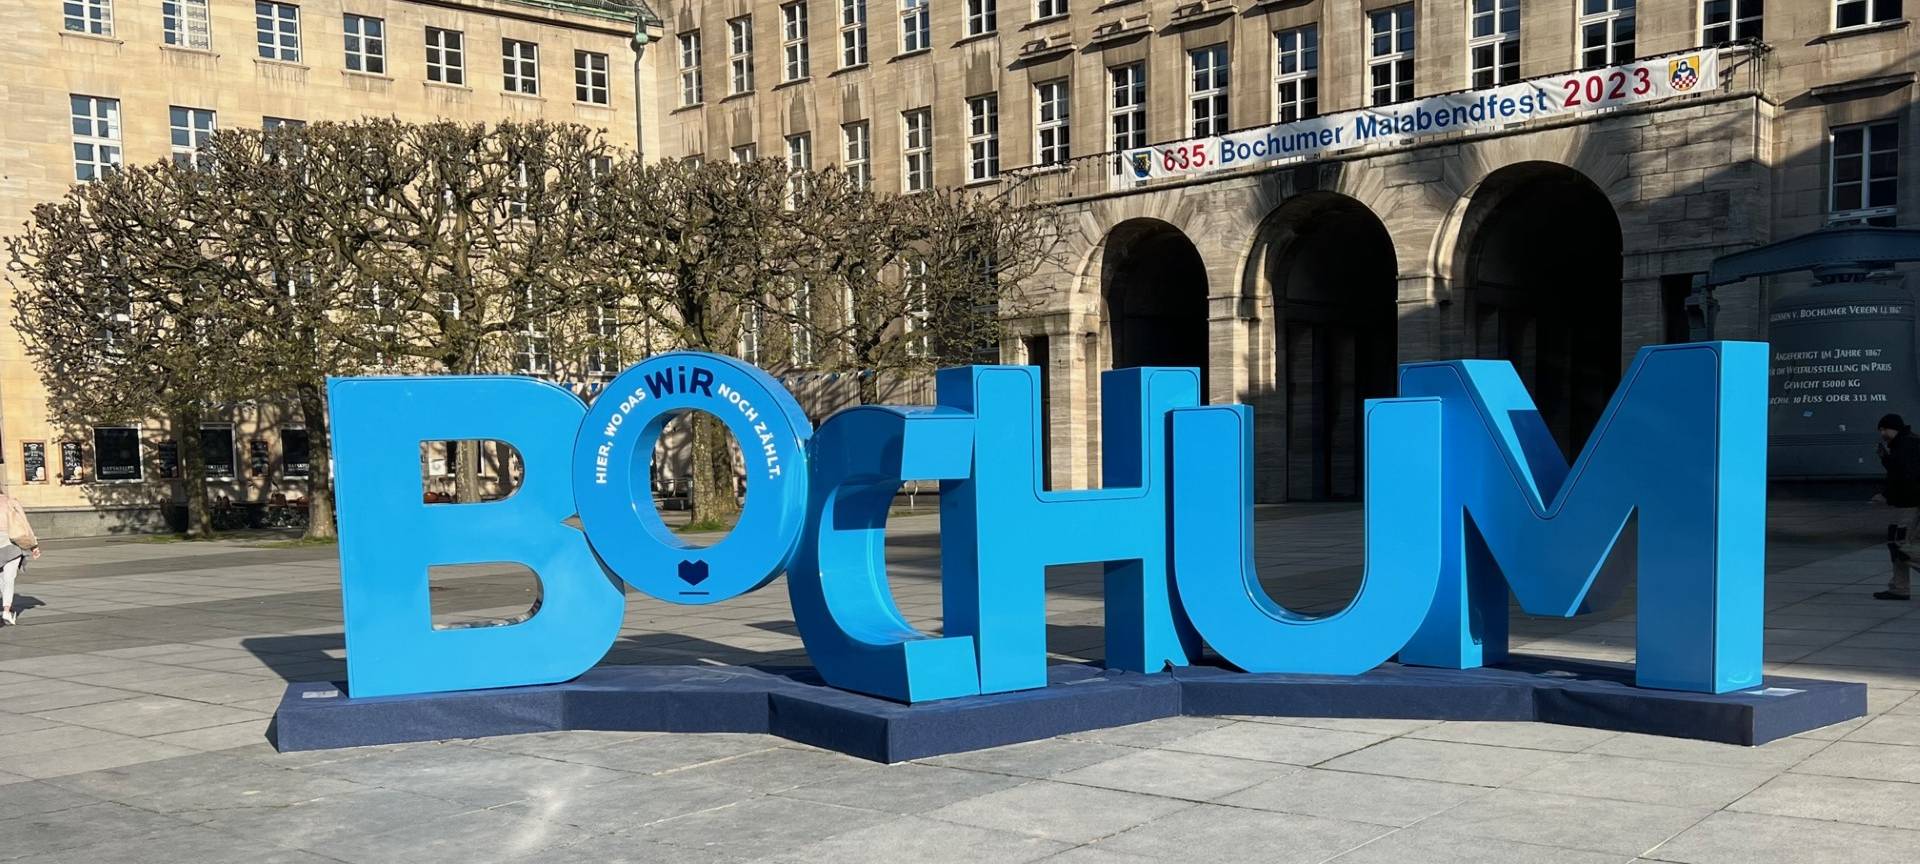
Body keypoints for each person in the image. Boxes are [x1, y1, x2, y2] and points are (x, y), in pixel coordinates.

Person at [1874, 414, 1920, 601]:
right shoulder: (1903, 444)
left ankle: (1900, 587)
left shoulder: (1906, 446)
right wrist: (1886, 458)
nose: (1882, 434)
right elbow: (1898, 472)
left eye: (1884, 429)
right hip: (1903, 502)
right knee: (1895, 544)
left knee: (1902, 546)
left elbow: (1904, 477)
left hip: (1909, 503)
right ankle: (1899, 588)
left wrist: (1885, 495)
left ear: (1894, 428)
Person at [0, 486, 41, 625]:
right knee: (9, 578)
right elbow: (25, 524)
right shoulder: (12, 502)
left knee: (1, 579)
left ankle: (5, 607)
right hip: (11, 544)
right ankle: (6, 610)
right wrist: (33, 545)